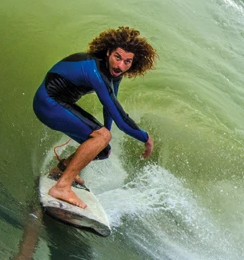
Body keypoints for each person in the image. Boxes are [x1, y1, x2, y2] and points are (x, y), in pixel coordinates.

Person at [33, 27, 157, 208]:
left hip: (61, 104)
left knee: (103, 149)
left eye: (127, 61)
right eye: (117, 57)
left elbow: (110, 107)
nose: (120, 66)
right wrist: (146, 138)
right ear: (108, 52)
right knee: (102, 137)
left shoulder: (114, 74)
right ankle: (62, 187)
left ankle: (61, 171)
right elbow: (122, 121)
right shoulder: (95, 71)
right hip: (48, 103)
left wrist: (104, 132)